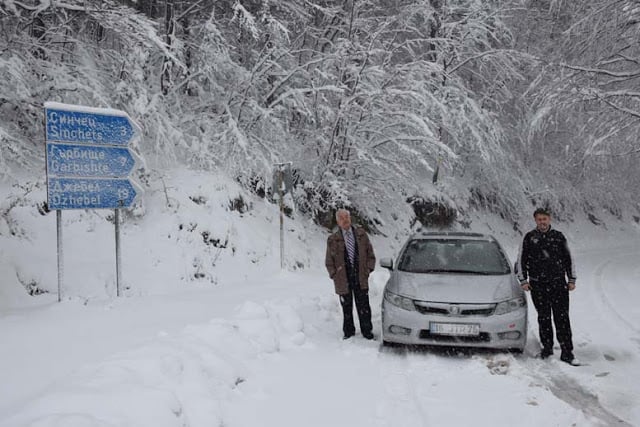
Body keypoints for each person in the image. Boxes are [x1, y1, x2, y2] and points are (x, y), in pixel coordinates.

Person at [517, 207, 579, 365]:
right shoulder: (530, 238)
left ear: (549, 220)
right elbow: (521, 260)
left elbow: (568, 258)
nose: (542, 222)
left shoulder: (558, 237)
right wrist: (523, 280)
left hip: (558, 284)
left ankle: (567, 351)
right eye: (539, 219)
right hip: (538, 285)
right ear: (535, 220)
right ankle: (547, 348)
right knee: (543, 317)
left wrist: (571, 279)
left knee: (562, 318)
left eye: (544, 219)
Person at [325, 209, 376, 340]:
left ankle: (367, 331)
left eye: (346, 217)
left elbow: (370, 255)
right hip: (343, 279)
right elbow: (329, 262)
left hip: (360, 277)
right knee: (346, 308)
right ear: (338, 221)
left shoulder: (361, 234)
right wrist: (334, 275)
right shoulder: (333, 239)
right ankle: (348, 332)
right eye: (341, 218)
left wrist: (368, 270)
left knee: (364, 306)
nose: (345, 220)